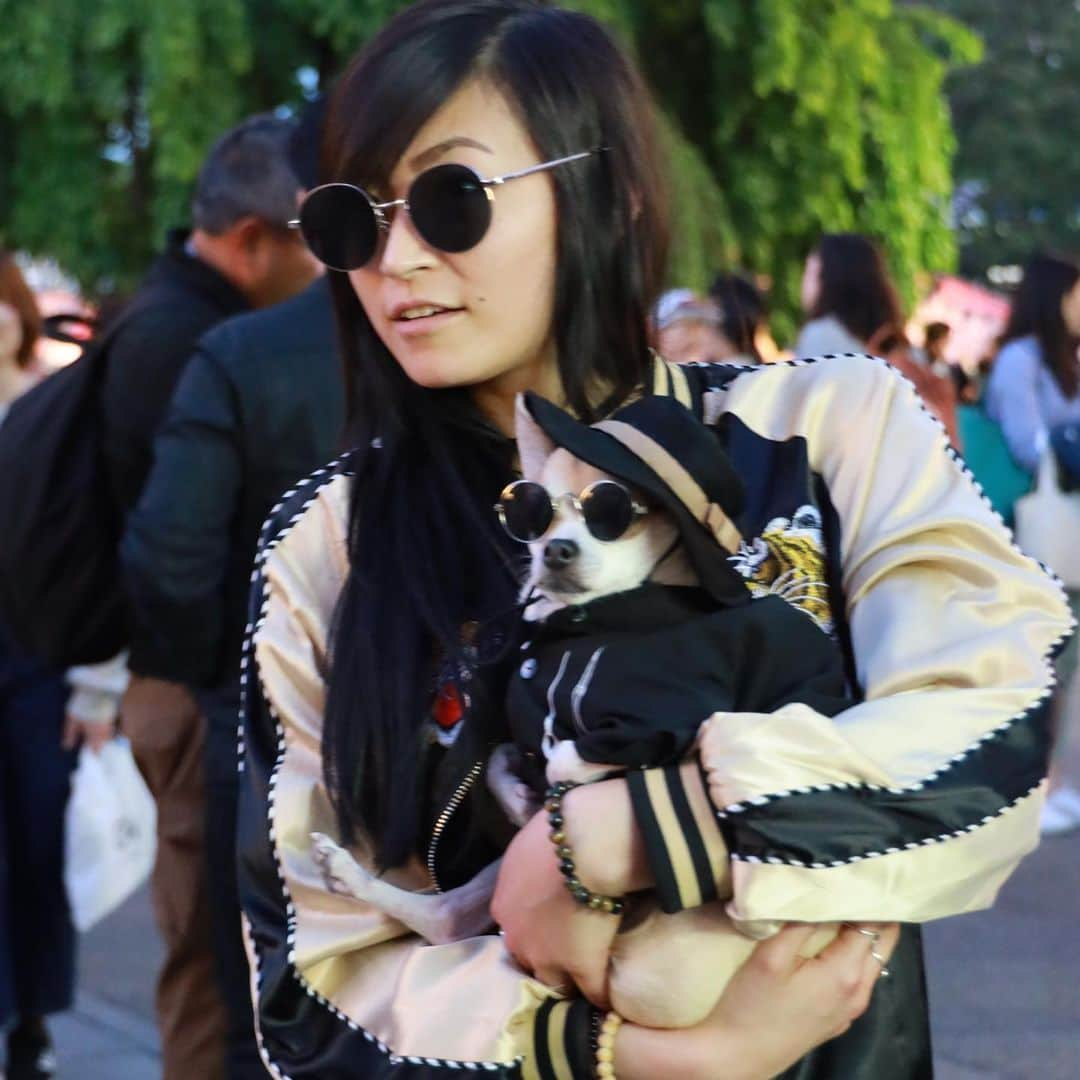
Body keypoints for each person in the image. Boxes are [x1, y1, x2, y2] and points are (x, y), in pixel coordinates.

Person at [236, 3, 1071, 1078]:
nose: (396, 260)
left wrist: (634, 829)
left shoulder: (826, 430)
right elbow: (308, 991)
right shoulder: (328, 542)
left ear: (610, 196)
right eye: (353, 221)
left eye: (452, 201)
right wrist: (649, 1057)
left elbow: (993, 741)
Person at [92, 113, 321, 1080]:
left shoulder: (169, 319)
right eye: (317, 236)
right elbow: (166, 557)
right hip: (204, 697)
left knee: (219, 966)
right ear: (254, 239)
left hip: (204, 693)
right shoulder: (203, 343)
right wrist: (215, 675)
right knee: (216, 969)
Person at [0, 252, 79, 1080]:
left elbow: (88, 546)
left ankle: (34, 1020)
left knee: (38, 836)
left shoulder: (49, 412)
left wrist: (99, 682)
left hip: (38, 652)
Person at [984, 253, 1080, 836]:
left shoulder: (1065, 361)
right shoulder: (1021, 360)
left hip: (1063, 535)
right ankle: (1023, 786)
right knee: (1036, 657)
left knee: (1061, 662)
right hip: (1031, 534)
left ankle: (1047, 781)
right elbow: (1028, 443)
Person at [796, 233, 958, 443]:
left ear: (827, 277)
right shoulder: (893, 342)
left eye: (809, 271)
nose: (803, 283)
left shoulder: (821, 335)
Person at [652, 288, 727, 364]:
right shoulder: (662, 370)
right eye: (659, 329)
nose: (661, 335)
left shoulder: (728, 370)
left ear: (696, 327)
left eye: (670, 326)